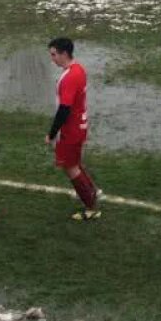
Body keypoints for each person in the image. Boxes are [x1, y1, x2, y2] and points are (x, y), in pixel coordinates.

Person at [46, 37, 102, 221]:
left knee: (70, 167)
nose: (52, 59)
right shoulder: (78, 69)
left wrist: (52, 134)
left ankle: (91, 207)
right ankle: (92, 191)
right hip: (80, 125)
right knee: (76, 163)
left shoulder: (69, 77)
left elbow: (64, 109)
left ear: (64, 53)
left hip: (70, 130)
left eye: (54, 55)